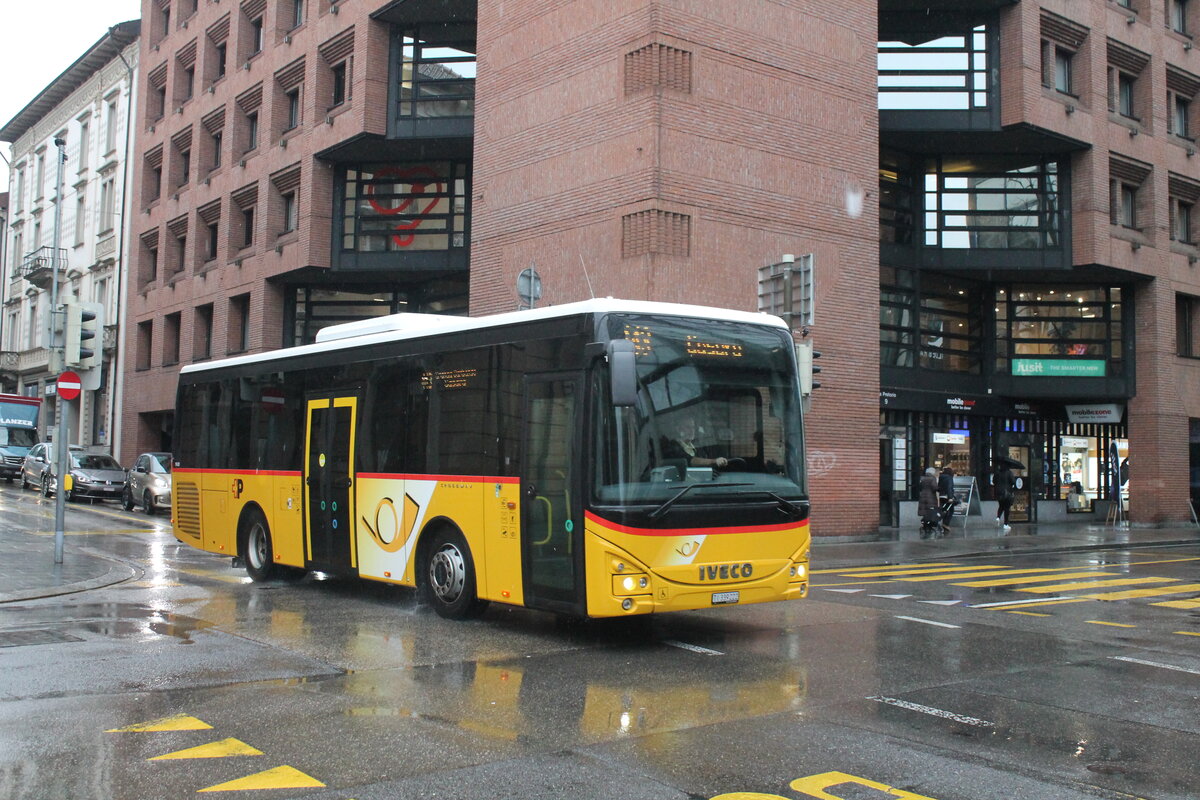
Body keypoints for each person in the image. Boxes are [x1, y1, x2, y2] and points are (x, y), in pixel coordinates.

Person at [662, 415, 728, 469]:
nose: (692, 430)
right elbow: (690, 460)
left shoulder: (698, 446)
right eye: (688, 427)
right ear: (678, 429)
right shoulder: (673, 447)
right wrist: (714, 461)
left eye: (693, 427)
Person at [918, 467, 939, 538]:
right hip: (930, 498)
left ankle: (925, 526)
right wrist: (939, 489)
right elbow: (934, 487)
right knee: (930, 512)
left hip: (922, 497)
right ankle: (929, 526)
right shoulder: (933, 478)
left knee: (925, 512)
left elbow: (920, 487)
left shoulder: (922, 478)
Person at [994, 463, 1015, 531]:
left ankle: (998, 517)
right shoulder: (1009, 473)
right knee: (1006, 508)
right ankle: (1005, 524)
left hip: (998, 492)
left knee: (1001, 506)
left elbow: (994, 481)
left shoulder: (997, 473)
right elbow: (1013, 482)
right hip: (1007, 492)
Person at [937, 466, 955, 534]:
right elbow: (949, 487)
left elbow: (938, 487)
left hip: (941, 496)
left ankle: (939, 522)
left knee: (943, 509)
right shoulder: (949, 478)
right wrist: (950, 497)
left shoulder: (940, 477)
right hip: (947, 496)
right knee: (951, 510)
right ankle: (945, 524)